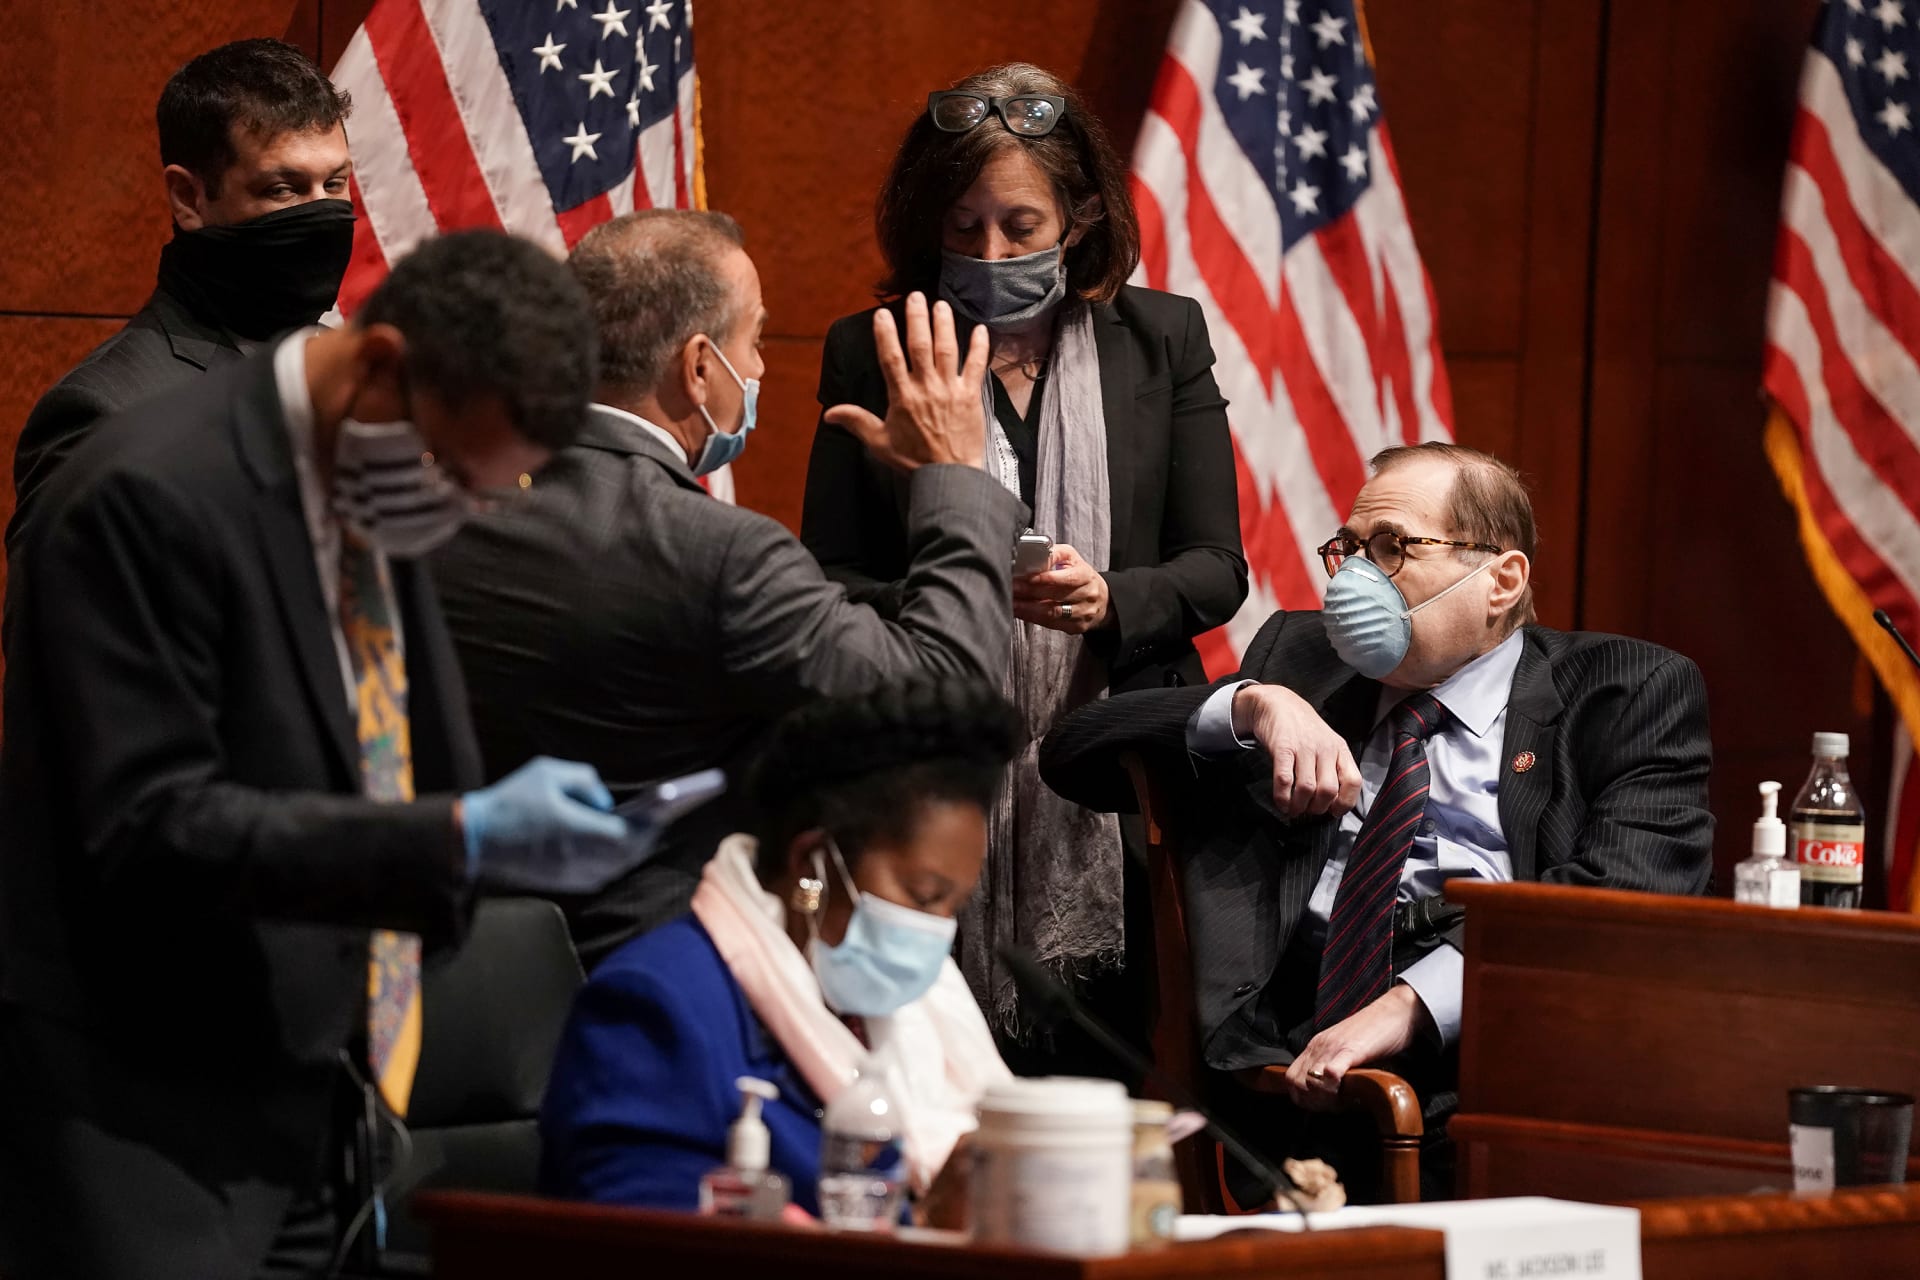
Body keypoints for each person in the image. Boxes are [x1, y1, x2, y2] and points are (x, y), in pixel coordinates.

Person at [0, 231, 658, 1280]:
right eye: (452, 467)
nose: (461, 506)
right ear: (381, 362)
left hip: (322, 1102)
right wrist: (451, 835)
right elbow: (147, 824)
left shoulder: (376, 465)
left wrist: (494, 845)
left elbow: (381, 742)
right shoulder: (141, 493)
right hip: (146, 1116)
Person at [1039, 441, 1714, 1200]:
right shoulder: (1299, 661)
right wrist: (1254, 704)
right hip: (1280, 1058)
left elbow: (1628, 896)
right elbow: (1072, 754)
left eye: (1393, 547)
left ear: (1501, 578)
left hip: (1491, 1067)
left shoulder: (1627, 690)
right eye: (1348, 549)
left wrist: (1412, 1005)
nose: (1356, 576)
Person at [432, 209, 1025, 966]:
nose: (764, 367)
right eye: (756, 338)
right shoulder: (716, 552)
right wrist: (955, 479)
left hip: (448, 973)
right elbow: (945, 701)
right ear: (701, 366)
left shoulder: (442, 505)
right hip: (652, 977)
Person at [802, 63, 1248, 1040]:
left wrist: (1110, 595)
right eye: (962, 228)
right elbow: (827, 580)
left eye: (1020, 227)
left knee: (1111, 1065)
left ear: (1079, 217)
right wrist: (955, 589)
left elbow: (1217, 564)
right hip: (927, 771)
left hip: (1120, 774)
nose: (988, 250)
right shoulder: (870, 346)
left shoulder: (1160, 339)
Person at [539, 681, 1021, 1219]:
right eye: (924, 896)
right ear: (810, 863)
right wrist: (927, 1224)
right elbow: (641, 1244)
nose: (937, 931)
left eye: (952, 905)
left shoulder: (891, 1013)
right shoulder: (654, 1004)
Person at [11, 38, 356, 533]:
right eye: (283, 189)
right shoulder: (106, 414)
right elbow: (64, 611)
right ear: (188, 198)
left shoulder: (354, 380)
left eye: (335, 184)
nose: (321, 211)